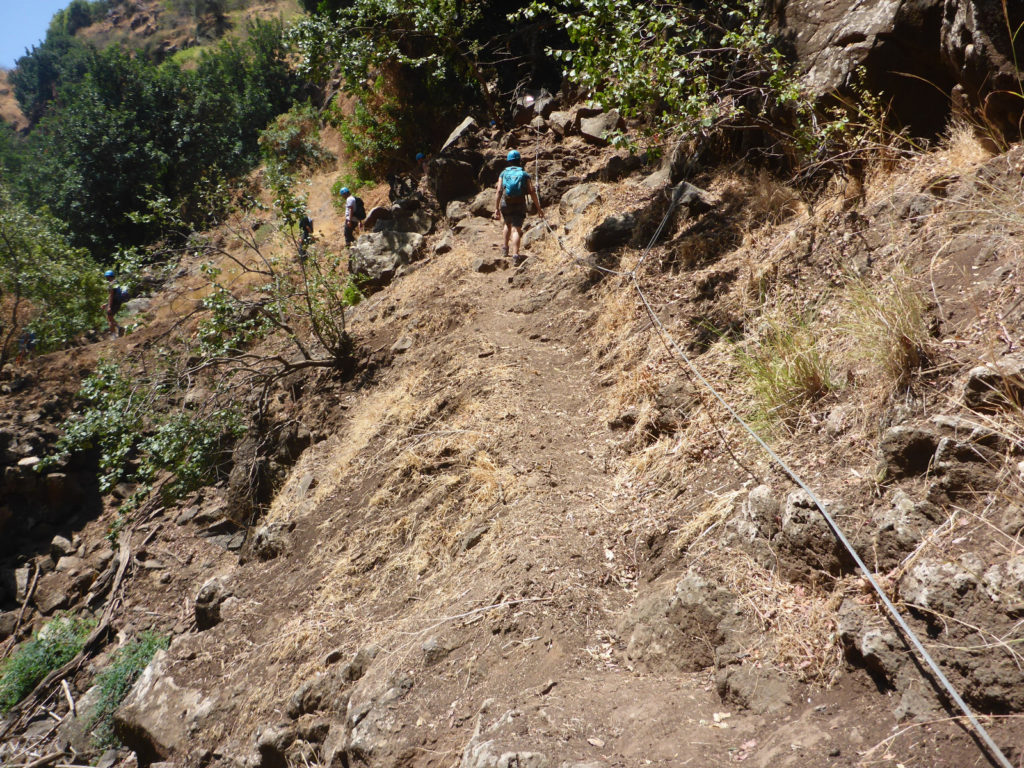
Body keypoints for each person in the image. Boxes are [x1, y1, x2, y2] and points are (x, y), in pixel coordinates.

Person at [492, 150, 543, 265]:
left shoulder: (503, 173)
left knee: (506, 224)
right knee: (516, 229)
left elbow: (499, 190)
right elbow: (532, 192)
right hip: (520, 203)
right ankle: (515, 255)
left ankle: (505, 249)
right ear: (519, 160)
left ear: (509, 161)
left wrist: (496, 208)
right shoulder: (524, 174)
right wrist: (539, 208)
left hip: (506, 202)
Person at [103, 269, 126, 337]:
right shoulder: (117, 283)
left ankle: (114, 336)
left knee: (109, 318)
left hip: (114, 303)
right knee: (110, 317)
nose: (107, 279)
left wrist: (109, 306)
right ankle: (119, 328)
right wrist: (106, 304)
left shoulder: (111, 284)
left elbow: (111, 296)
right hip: (118, 302)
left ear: (108, 277)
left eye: (107, 277)